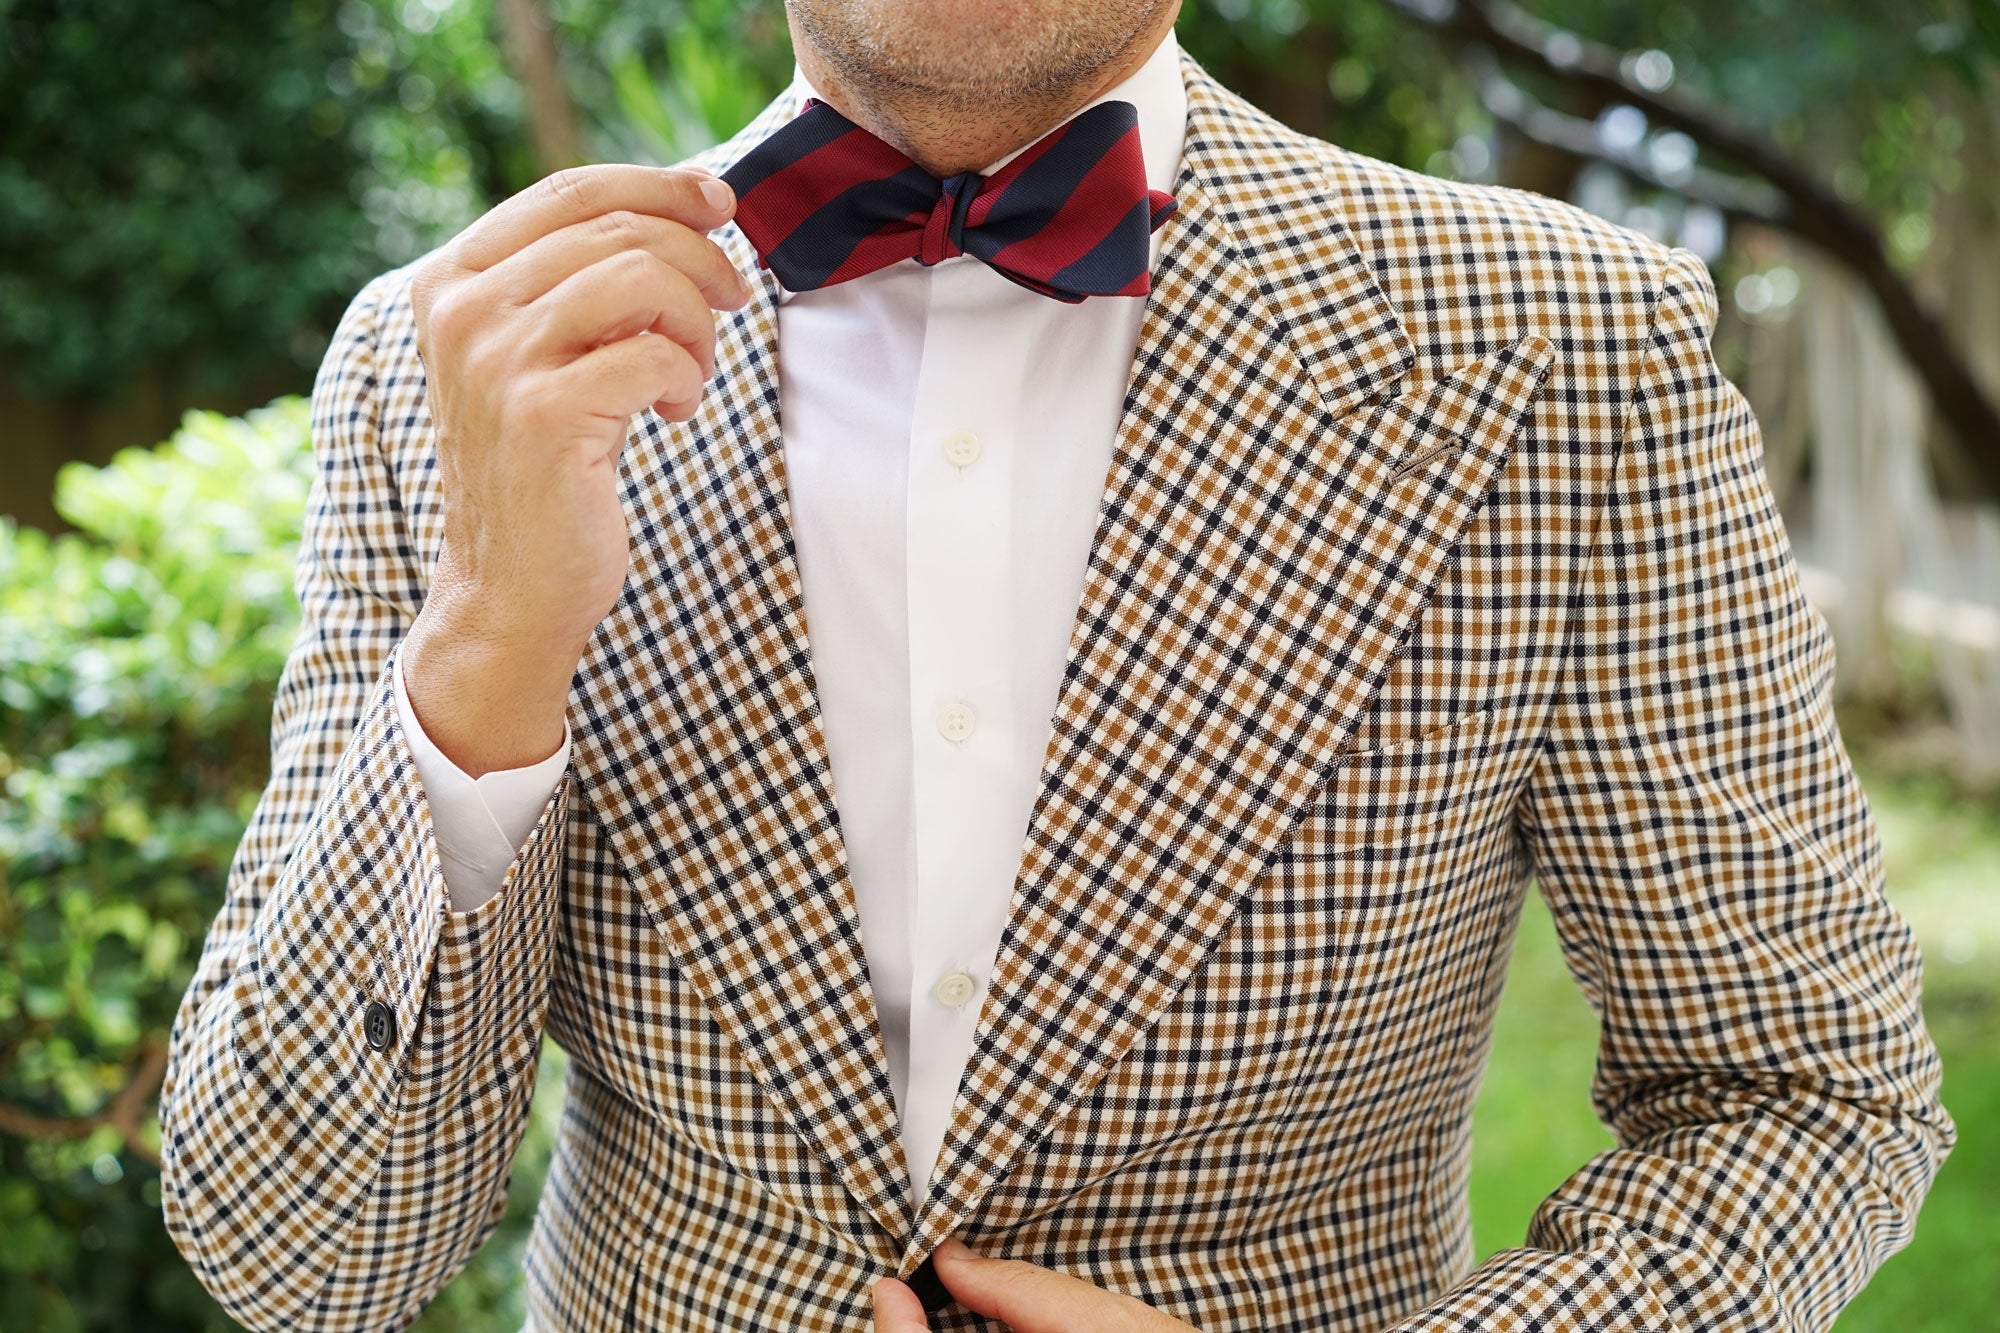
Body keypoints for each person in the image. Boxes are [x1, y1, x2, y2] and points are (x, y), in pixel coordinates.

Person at [158, 1, 1955, 1329]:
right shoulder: (442, 362)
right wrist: (487, 641)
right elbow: (304, 1251)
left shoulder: (1567, 353)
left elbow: (1805, 1098)